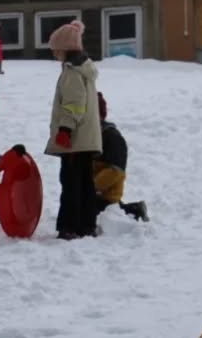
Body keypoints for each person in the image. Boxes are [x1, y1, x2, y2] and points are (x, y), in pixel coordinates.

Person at [43, 19, 103, 240]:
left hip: (75, 140)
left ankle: (70, 226)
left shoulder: (72, 72)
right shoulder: (83, 69)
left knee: (71, 183)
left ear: (65, 49)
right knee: (84, 182)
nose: (54, 54)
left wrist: (65, 130)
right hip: (86, 139)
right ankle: (87, 225)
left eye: (56, 50)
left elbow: (74, 104)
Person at [93, 92, 149, 222]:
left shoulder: (112, 138)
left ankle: (134, 211)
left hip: (105, 196)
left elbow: (115, 171)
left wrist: (91, 186)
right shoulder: (91, 136)